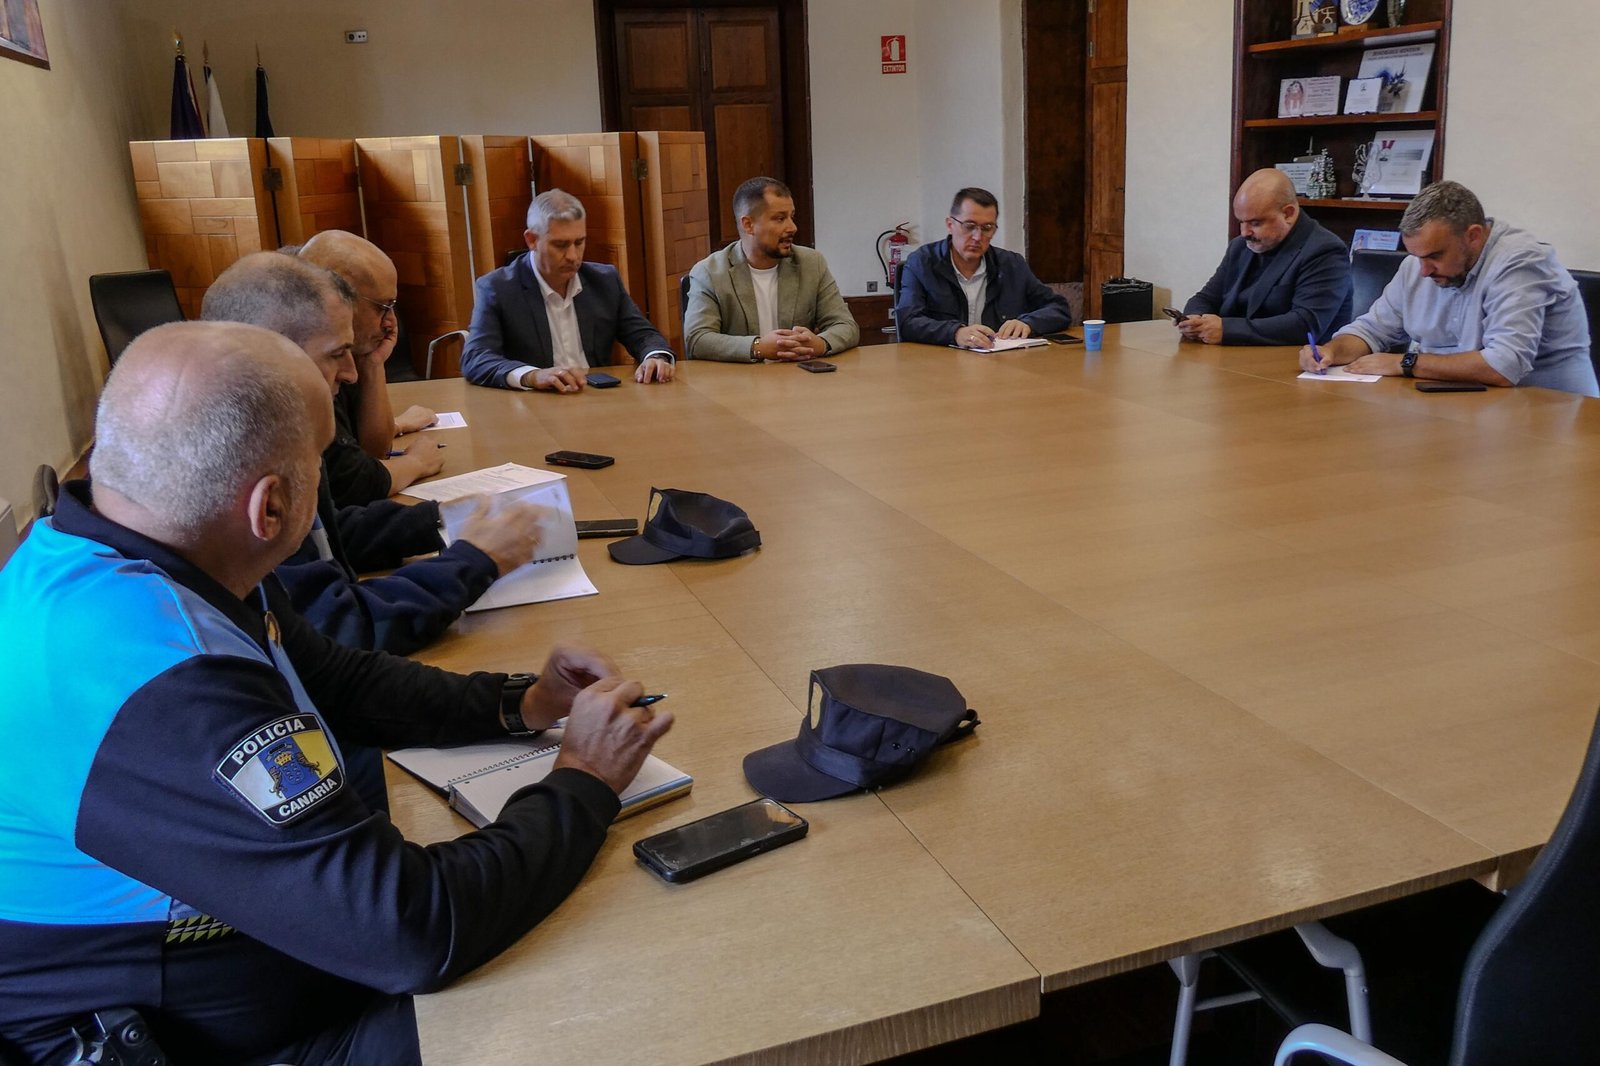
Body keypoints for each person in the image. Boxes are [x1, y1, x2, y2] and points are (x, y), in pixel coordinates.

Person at [0, 320, 672, 1064]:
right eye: (321, 462)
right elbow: (410, 929)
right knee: (602, 1003)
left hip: (242, 968)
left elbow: (336, 677)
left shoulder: (143, 547)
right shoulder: (162, 682)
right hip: (172, 1039)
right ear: (272, 508)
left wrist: (522, 703)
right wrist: (581, 782)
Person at [201, 253, 541, 659]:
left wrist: (439, 519)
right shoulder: (243, 469)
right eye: (335, 354)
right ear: (274, 352)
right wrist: (474, 560)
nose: (351, 373)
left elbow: (326, 533)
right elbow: (346, 626)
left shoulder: (263, 431)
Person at [1297, 181, 1597, 396]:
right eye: (1417, 256)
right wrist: (1332, 351)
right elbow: (1372, 330)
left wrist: (1406, 362)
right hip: (1466, 408)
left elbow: (1504, 366)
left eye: (1435, 256)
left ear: (1474, 236)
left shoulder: (1521, 262)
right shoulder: (1417, 266)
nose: (1424, 270)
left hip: (1551, 414)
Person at [460, 189, 676, 391]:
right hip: (533, 407)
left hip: (596, 400)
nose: (573, 256)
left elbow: (643, 335)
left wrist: (655, 357)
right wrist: (533, 376)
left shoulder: (604, 280)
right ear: (532, 240)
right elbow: (476, 358)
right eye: (561, 245)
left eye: (579, 242)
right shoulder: (498, 288)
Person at [299, 230, 441, 506]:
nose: (390, 322)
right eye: (383, 307)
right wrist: (417, 462)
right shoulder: (310, 363)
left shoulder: (348, 354)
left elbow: (374, 451)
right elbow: (356, 482)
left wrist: (373, 363)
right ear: (337, 297)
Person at [683, 176, 859, 362]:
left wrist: (820, 344)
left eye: (792, 217)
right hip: (738, 383)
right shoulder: (709, 272)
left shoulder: (811, 263)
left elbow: (846, 325)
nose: (792, 227)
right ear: (748, 225)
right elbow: (697, 339)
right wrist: (757, 347)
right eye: (780, 218)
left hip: (797, 380)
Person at [1179, 167, 1352, 346]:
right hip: (1235, 358)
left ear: (1288, 214)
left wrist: (1227, 330)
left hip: (1291, 364)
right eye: (1241, 222)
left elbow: (1305, 325)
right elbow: (1206, 297)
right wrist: (1195, 320)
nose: (1245, 232)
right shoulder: (1240, 246)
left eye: (1255, 223)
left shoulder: (1325, 250)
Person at [894, 186, 1072, 349]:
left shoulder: (1011, 265)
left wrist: (1029, 323)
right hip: (941, 367)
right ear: (950, 225)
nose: (977, 236)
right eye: (969, 226)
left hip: (1000, 365)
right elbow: (907, 322)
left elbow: (1058, 308)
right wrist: (955, 332)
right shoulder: (922, 263)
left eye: (987, 228)